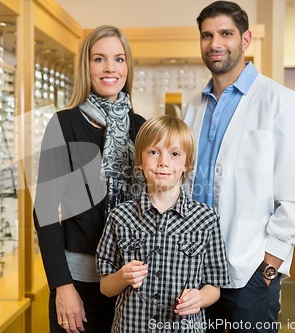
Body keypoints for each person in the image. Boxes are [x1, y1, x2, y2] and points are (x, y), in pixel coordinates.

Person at [183, 1, 295, 332]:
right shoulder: (193, 108)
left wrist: (268, 267)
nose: (215, 43)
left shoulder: (282, 103)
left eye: (225, 34)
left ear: (245, 40)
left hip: (248, 274)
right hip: (194, 271)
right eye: (206, 35)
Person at [33, 25, 146, 333]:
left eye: (119, 59)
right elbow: (44, 211)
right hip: (78, 283)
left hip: (131, 282)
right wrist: (62, 286)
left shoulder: (141, 128)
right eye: (99, 59)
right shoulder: (64, 124)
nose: (110, 68)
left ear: (127, 66)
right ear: (87, 66)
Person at [96, 115, 229, 333]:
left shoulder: (206, 219)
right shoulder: (119, 217)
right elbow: (105, 288)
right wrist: (122, 276)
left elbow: (214, 287)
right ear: (140, 160)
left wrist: (199, 298)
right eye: (153, 152)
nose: (163, 162)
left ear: (186, 165)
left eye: (174, 154)